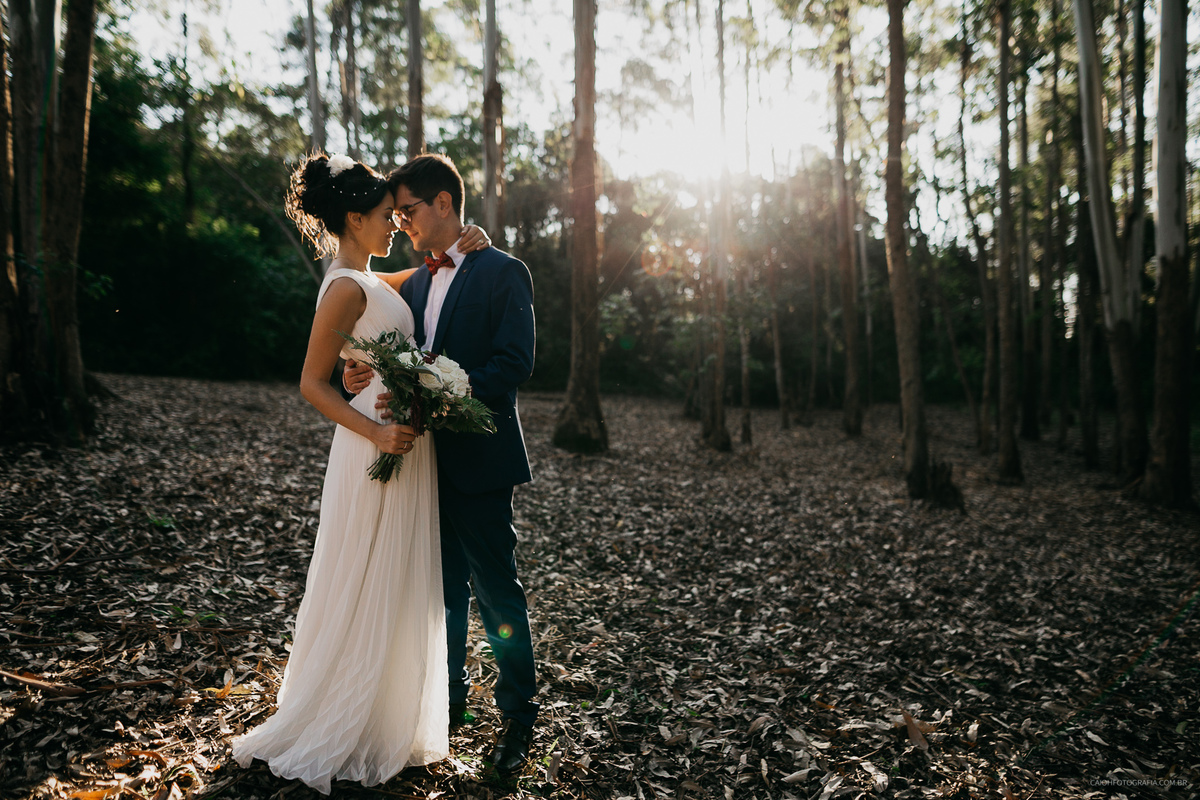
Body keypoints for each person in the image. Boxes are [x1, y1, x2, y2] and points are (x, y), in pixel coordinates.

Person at [231, 152, 490, 794]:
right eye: (384, 215)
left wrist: (468, 243)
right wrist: (374, 430)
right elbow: (311, 383)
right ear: (353, 219)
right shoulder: (345, 287)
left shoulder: (370, 279)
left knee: (393, 573)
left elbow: (424, 274)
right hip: (375, 443)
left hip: (401, 439)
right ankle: (345, 717)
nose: (395, 224)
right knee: (367, 570)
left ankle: (384, 717)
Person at [344, 153, 539, 776]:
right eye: (395, 214)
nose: (401, 223)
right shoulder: (416, 281)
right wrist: (359, 371)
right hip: (421, 464)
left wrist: (444, 392)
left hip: (480, 460)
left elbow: (514, 364)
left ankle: (517, 719)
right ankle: (446, 710)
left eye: (408, 211)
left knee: (496, 593)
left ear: (445, 203)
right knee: (441, 595)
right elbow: (375, 328)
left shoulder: (504, 272)